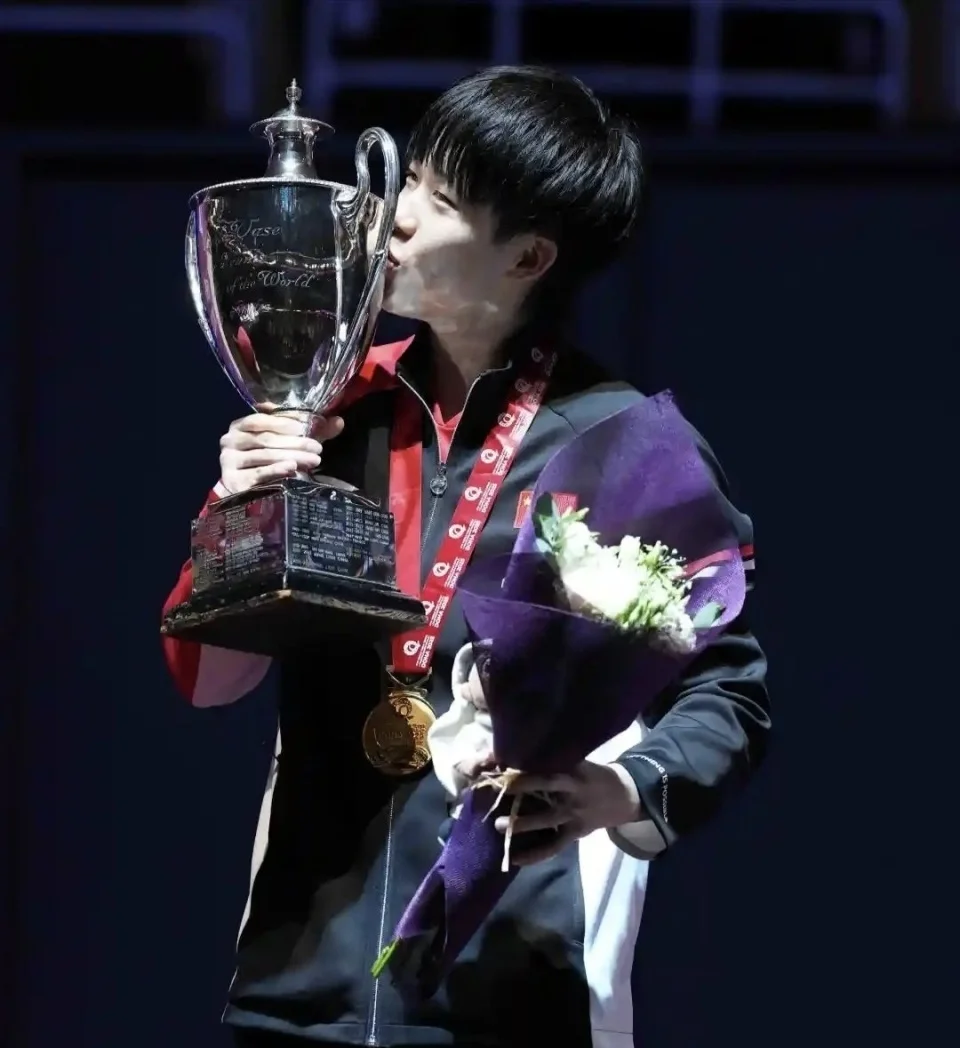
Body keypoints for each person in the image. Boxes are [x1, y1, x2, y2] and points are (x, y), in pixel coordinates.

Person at [162, 65, 770, 1048]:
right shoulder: (329, 406)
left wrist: (620, 791)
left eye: (438, 201)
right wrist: (240, 513)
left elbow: (728, 691)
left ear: (528, 256)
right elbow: (207, 682)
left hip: (509, 994)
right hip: (298, 991)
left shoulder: (621, 447)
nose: (393, 218)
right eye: (407, 179)